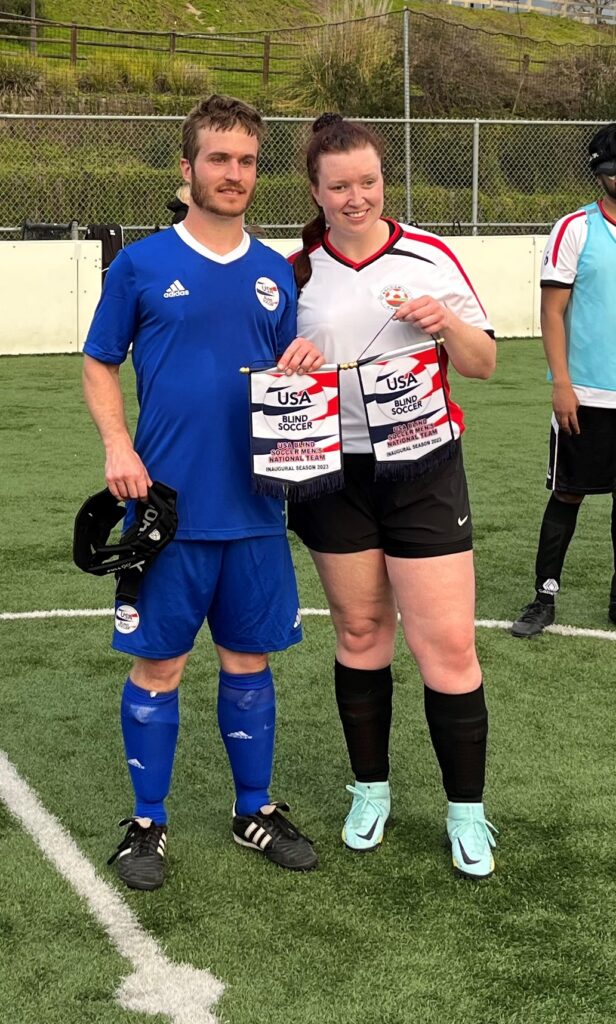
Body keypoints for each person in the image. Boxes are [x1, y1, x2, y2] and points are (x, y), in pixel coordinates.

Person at [82, 94, 324, 891]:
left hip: (256, 508)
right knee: (159, 667)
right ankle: (146, 824)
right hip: (169, 508)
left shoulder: (273, 272)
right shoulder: (142, 264)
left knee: (249, 663)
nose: (233, 174)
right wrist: (119, 444)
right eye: (217, 159)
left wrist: (304, 364)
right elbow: (99, 360)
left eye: (247, 161)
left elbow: (290, 371)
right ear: (186, 169)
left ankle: (253, 809)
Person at [287, 114, 498, 879]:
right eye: (338, 185)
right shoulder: (296, 272)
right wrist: (292, 359)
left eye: (368, 181)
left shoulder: (430, 256)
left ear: (385, 180)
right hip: (331, 475)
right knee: (360, 632)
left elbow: (483, 364)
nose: (356, 198)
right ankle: (370, 789)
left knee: (446, 645)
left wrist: (444, 323)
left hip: (424, 469)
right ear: (314, 189)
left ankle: (466, 811)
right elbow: (274, 379)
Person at [511, 123, 616, 638]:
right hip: (587, 394)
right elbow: (552, 312)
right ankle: (543, 596)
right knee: (568, 494)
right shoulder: (575, 228)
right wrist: (561, 383)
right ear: (600, 175)